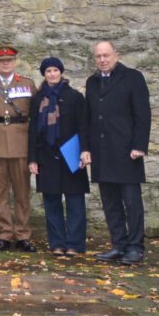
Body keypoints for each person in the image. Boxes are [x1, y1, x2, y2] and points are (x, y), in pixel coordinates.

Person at [81, 41, 151, 265]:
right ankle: (119, 245)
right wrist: (85, 148)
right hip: (101, 152)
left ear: (116, 56)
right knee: (110, 203)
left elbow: (143, 114)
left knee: (132, 203)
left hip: (126, 151)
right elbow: (87, 118)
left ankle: (136, 247)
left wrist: (139, 145)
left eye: (106, 55)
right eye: (98, 56)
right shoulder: (91, 82)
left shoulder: (133, 78)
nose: (102, 60)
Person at [0, 46, 38, 252]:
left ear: (15, 62)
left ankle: (23, 234)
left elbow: (34, 112)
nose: (5, 63)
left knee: (22, 192)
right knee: (0, 192)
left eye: (9, 60)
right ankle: (4, 233)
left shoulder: (27, 83)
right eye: (2, 60)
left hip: (21, 142)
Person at [28, 57, 90, 255]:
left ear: (61, 72)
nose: (52, 74)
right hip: (46, 155)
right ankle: (57, 243)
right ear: (44, 74)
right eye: (48, 71)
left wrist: (84, 151)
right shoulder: (38, 99)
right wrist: (32, 158)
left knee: (75, 202)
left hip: (70, 153)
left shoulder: (74, 97)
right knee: (51, 202)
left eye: (55, 70)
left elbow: (84, 126)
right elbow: (32, 130)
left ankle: (75, 244)